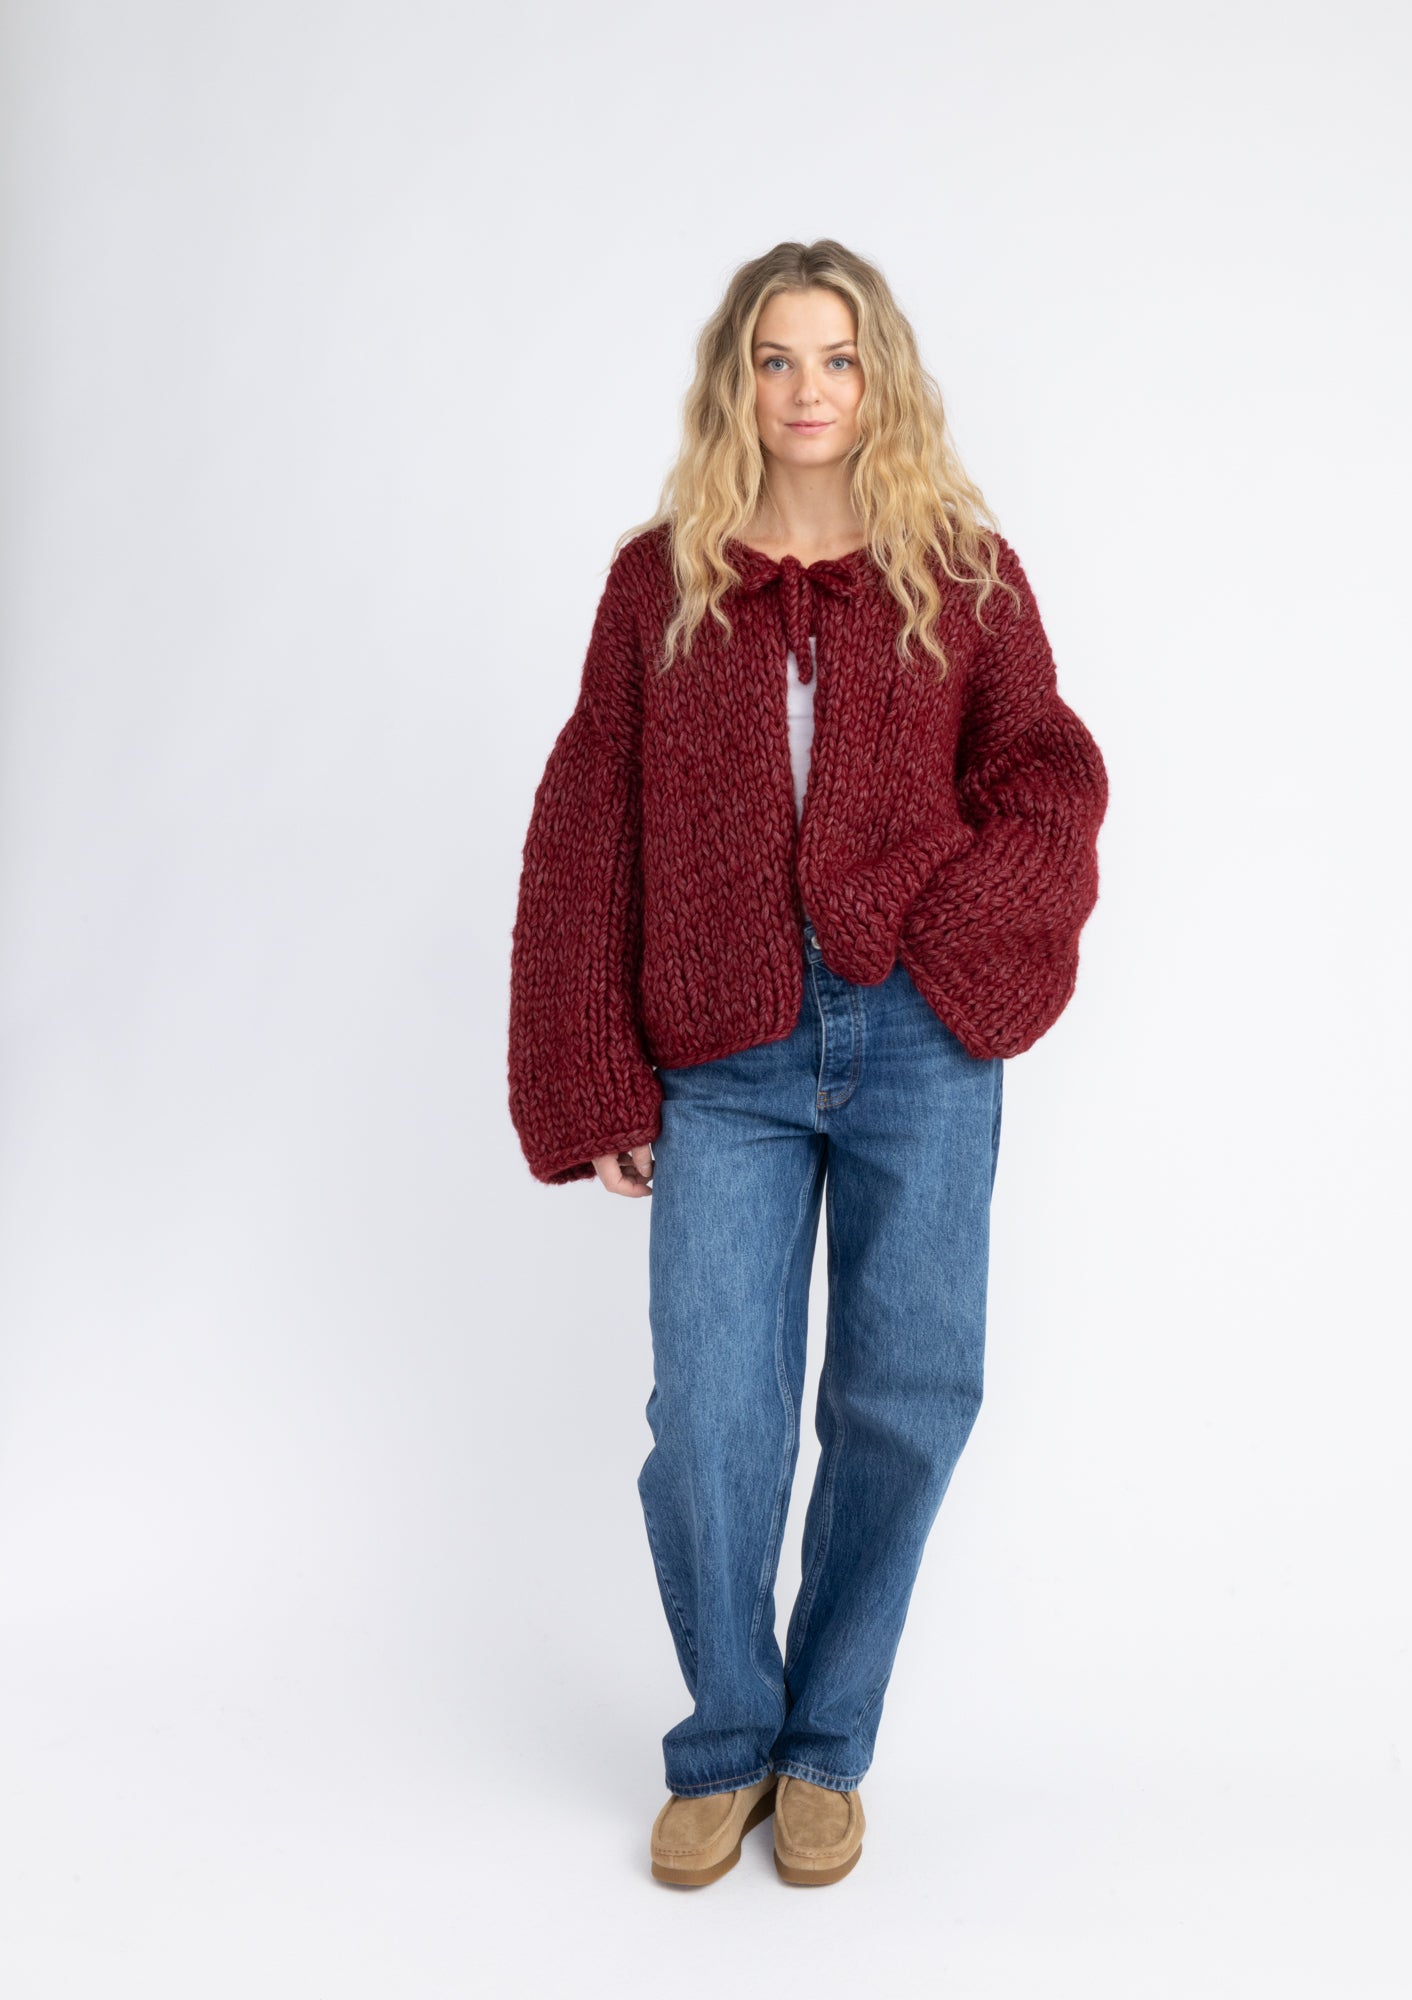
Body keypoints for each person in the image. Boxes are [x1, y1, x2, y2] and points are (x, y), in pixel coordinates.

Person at [507, 239, 1110, 1888]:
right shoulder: (660, 582)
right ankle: (728, 1737)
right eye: (776, 359)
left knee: (910, 1394)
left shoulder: (964, 571)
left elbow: (1047, 779)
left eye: (836, 358)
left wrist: (952, 930)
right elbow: (589, 823)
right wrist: (594, 1075)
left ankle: (827, 1742)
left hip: (918, 1038)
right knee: (713, 1412)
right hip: (727, 1049)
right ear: (737, 381)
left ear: (879, 375)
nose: (807, 389)